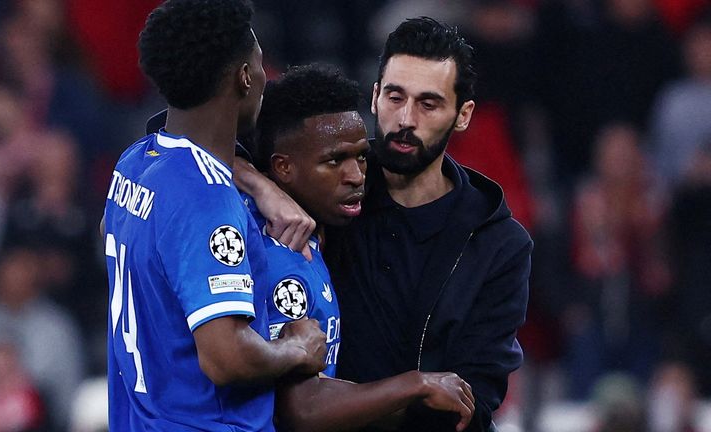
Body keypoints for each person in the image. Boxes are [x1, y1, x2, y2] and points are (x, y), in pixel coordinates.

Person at [102, 1, 326, 431]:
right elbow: (227, 357)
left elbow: (120, 231)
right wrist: (297, 348)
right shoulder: (207, 198)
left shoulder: (135, 162)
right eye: (260, 64)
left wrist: (254, 182)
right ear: (245, 76)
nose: (265, 77)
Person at [322, 18, 532, 431]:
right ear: (375, 95)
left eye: (428, 104)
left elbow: (471, 402)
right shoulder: (324, 191)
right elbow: (200, 139)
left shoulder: (500, 245)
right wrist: (263, 186)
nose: (405, 119)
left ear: (463, 114)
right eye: (395, 97)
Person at [247, 63, 475, 432]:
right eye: (334, 161)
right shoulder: (281, 258)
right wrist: (415, 386)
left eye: (361, 156)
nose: (355, 176)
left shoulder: (316, 231)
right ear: (283, 168)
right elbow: (299, 409)